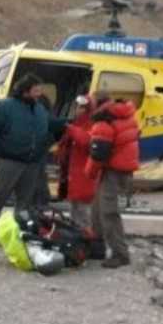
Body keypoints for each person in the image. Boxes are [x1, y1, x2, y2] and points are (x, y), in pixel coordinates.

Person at [0, 74, 53, 247]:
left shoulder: (40, 109)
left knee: (25, 202)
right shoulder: (5, 107)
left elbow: (47, 131)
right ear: (26, 91)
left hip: (32, 164)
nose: (39, 93)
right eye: (36, 90)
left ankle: (19, 234)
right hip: (8, 162)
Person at [85, 93, 140, 268]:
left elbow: (98, 154)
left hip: (112, 171)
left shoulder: (104, 122)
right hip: (124, 168)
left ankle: (120, 254)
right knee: (97, 208)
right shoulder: (124, 115)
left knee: (108, 212)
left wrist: (89, 172)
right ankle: (97, 247)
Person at [56, 94, 97, 227]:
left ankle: (89, 238)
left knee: (83, 211)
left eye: (81, 107)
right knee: (74, 208)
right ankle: (77, 237)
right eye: (77, 107)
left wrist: (70, 129)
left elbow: (86, 141)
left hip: (84, 175)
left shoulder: (92, 124)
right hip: (73, 175)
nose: (77, 110)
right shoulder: (76, 123)